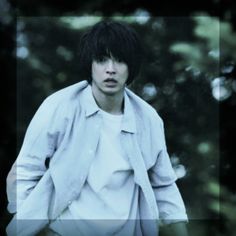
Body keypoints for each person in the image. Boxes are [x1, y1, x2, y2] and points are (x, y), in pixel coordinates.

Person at [6, 20, 188, 236]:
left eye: (120, 61)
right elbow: (26, 170)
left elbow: (165, 186)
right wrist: (31, 227)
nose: (110, 70)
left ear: (131, 67)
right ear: (90, 64)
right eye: (102, 60)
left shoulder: (148, 120)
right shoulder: (59, 107)